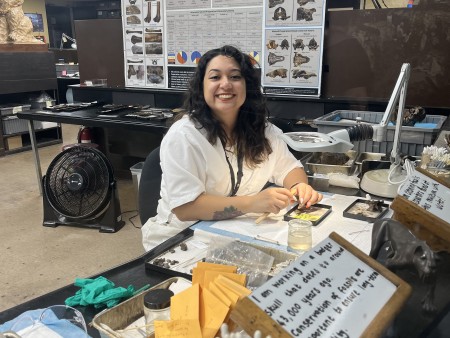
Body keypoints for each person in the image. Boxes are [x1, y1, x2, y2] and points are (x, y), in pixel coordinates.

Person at [141, 45, 322, 251]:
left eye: (235, 77)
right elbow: (185, 208)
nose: (225, 84)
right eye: (215, 77)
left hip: (237, 230)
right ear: (202, 86)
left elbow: (290, 168)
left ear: (247, 85)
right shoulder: (184, 136)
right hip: (182, 238)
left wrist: (299, 187)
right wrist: (252, 203)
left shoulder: (261, 129)